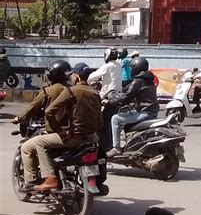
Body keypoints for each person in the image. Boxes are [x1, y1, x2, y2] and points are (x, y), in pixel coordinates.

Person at [33, 62, 103, 193]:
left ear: (76, 77)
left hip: (74, 138)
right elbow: (100, 121)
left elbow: (49, 111)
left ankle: (50, 179)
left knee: (39, 144)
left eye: (71, 75)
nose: (70, 78)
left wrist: (60, 131)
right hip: (92, 138)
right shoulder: (95, 93)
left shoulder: (71, 91)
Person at [12, 59, 71, 188]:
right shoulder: (73, 90)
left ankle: (31, 180)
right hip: (75, 132)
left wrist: (18, 118)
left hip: (57, 133)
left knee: (26, 148)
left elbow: (32, 109)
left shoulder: (48, 91)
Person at [107, 56, 158, 157]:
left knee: (115, 119)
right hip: (150, 110)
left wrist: (111, 101)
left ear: (136, 68)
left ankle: (116, 148)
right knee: (126, 114)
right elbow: (127, 90)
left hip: (145, 112)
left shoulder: (139, 81)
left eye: (131, 68)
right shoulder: (148, 79)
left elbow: (126, 96)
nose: (130, 70)